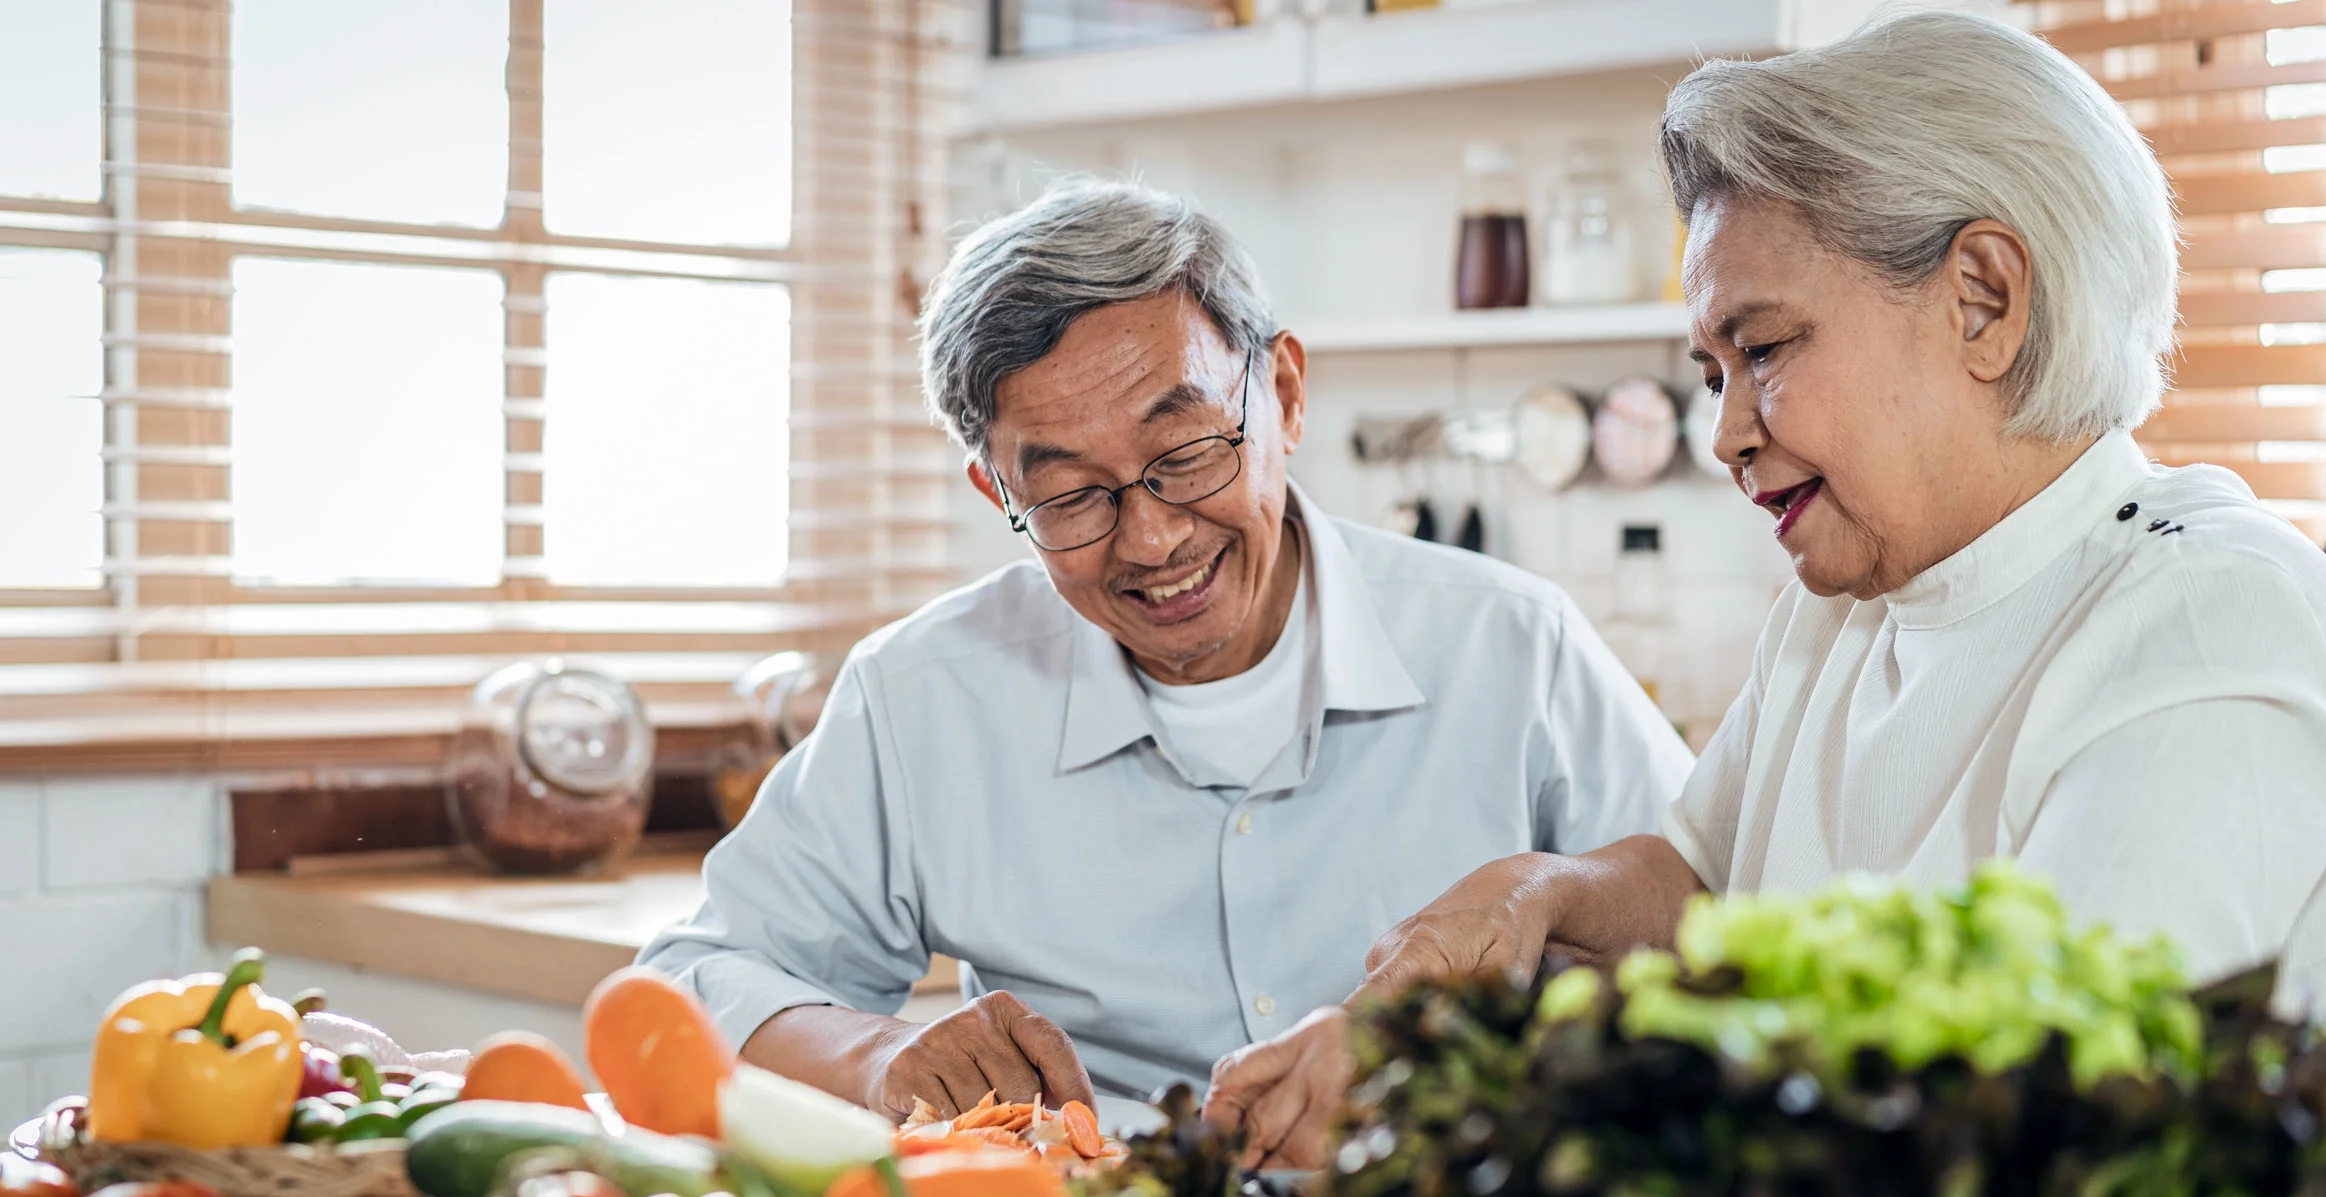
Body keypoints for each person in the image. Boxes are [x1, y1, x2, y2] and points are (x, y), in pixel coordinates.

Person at [1207, 10, 2326, 1165]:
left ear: (1984, 298)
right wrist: (1537, 893)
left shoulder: (2205, 615)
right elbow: (1705, 887)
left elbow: (2043, 1128)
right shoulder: (1846, 604)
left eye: (1765, 350)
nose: (1728, 433)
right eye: (1712, 371)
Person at [639, 180, 1693, 1118]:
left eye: (1185, 453)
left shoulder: (1511, 643)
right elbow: (693, 980)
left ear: (1281, 395)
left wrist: (1462, 1043)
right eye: (1068, 496)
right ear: (998, 494)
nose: (1152, 539)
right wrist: (880, 1057)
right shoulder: (924, 696)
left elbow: (1716, 921)